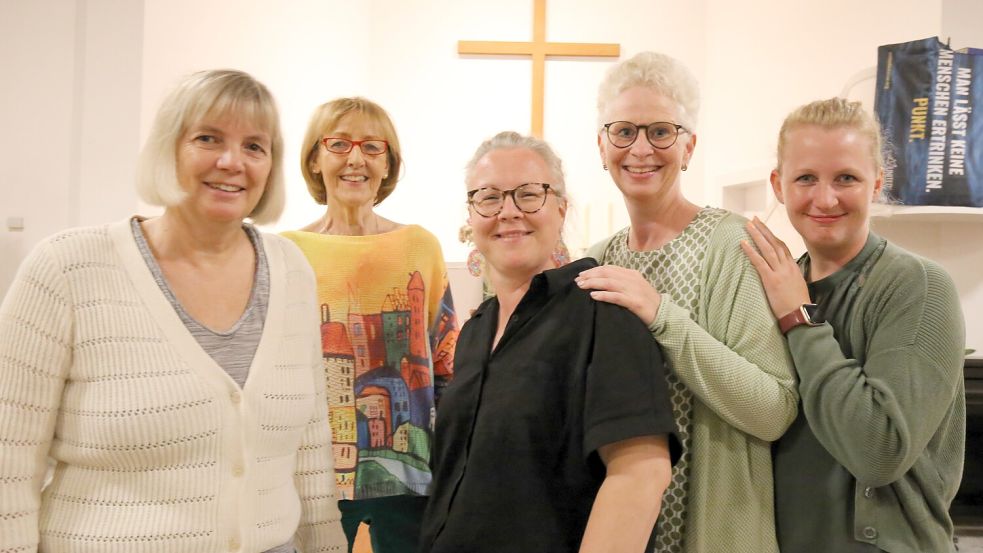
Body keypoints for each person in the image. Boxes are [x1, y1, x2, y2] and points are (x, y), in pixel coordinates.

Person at [0, 69, 345, 552]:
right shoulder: (68, 269)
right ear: (168, 148)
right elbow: (8, 460)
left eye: (254, 146)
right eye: (208, 138)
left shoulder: (291, 270)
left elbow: (309, 446)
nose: (232, 162)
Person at [575, 51, 798, 553]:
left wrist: (661, 315)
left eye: (661, 131)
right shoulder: (595, 261)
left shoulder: (734, 245)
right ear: (602, 145)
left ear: (688, 146)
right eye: (624, 131)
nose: (641, 149)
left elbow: (773, 409)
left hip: (713, 529)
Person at [420, 131, 680, 553]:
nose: (508, 211)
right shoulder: (474, 332)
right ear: (471, 215)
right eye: (488, 197)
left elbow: (641, 473)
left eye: (528, 194)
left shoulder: (601, 310)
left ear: (561, 209)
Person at [741, 97, 966, 553]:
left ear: (877, 183)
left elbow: (879, 451)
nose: (825, 198)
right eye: (806, 178)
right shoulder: (778, 284)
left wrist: (799, 319)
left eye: (846, 178)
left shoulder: (918, 286)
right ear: (778, 186)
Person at [282, 97, 458, 553]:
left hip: (410, 479)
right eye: (339, 144)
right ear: (315, 160)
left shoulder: (419, 246)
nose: (355, 158)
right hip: (308, 475)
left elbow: (445, 358)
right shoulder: (285, 252)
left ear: (388, 165)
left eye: (372, 147)